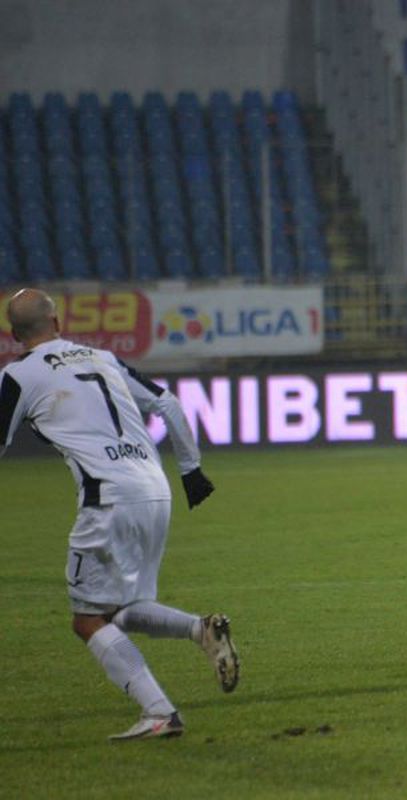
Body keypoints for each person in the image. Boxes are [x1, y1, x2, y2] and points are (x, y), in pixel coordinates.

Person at [0, 289, 239, 740]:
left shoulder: (17, 375)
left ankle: (159, 712)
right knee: (123, 609)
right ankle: (200, 630)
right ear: (57, 320)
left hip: (107, 497)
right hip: (155, 489)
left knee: (87, 619)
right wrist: (191, 470)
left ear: (13, 335)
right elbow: (167, 403)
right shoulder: (102, 357)